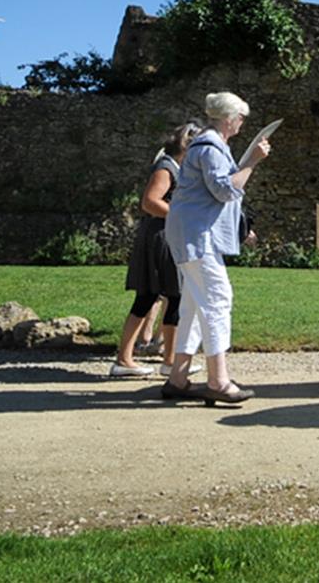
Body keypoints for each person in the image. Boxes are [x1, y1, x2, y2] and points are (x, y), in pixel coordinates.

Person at [161, 91, 272, 405]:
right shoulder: (210, 148)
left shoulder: (209, 146)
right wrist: (253, 161)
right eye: (240, 118)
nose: (242, 123)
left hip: (192, 234)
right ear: (228, 118)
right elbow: (223, 190)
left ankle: (178, 378)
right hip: (198, 238)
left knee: (194, 305)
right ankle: (218, 381)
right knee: (218, 300)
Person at [111, 123, 199, 378]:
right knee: (154, 296)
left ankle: (167, 360)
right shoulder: (166, 167)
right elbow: (150, 202)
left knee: (168, 296)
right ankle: (128, 360)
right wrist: (182, 215)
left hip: (166, 235)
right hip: (161, 237)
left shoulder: (175, 167)